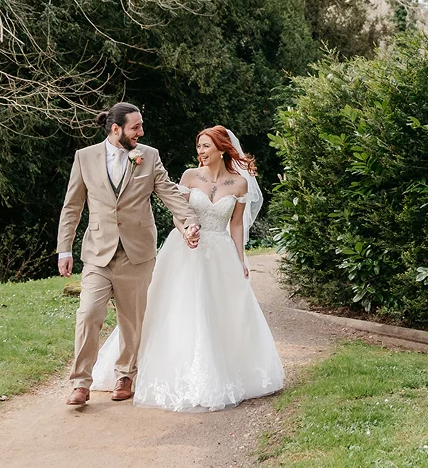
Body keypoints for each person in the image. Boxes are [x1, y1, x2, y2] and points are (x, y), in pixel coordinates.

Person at [125, 126, 285, 411]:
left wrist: (240, 259)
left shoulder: (238, 184)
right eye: (198, 146)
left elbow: (236, 225)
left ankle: (223, 371)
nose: (200, 151)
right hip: (186, 249)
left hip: (220, 251)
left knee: (219, 312)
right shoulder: (189, 176)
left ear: (222, 148)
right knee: (181, 307)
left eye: (206, 146)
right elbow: (178, 211)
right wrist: (186, 230)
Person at [55, 102, 198, 408]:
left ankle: (126, 375)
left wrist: (189, 220)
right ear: (115, 128)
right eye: (136, 127)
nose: (141, 132)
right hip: (98, 251)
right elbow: (72, 206)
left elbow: (169, 192)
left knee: (132, 319)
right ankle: (80, 382)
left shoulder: (149, 156)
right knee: (89, 314)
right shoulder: (85, 157)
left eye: (141, 127)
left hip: (137, 251)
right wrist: (64, 248)